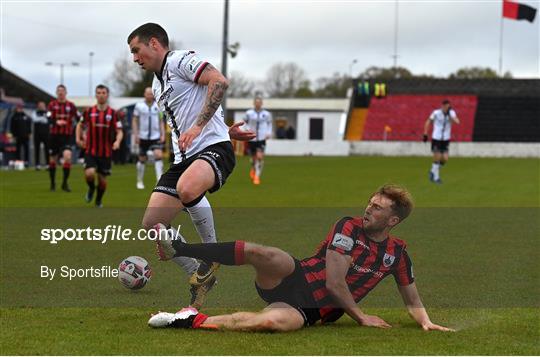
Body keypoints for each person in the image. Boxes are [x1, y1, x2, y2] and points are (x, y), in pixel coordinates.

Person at [149, 184, 454, 333]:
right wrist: (362, 318)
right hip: (294, 276)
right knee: (265, 254)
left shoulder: (397, 254)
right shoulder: (348, 227)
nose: (368, 209)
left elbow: (411, 296)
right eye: (370, 203)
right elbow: (334, 283)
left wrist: (425, 321)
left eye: (378, 208)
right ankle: (181, 249)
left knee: (272, 322)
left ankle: (188, 320)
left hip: (309, 309)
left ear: (393, 221)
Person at [127, 23, 255, 309]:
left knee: (187, 189)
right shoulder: (156, 84)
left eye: (137, 50)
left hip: (213, 151)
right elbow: (184, 116)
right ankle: (200, 273)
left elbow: (219, 81)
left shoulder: (180, 61)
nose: (135, 58)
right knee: (152, 224)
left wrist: (203, 129)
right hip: (183, 158)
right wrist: (227, 129)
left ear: (155, 44)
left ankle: (211, 254)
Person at [75, 85, 123, 208]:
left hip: (106, 152)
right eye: (99, 92)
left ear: (107, 95)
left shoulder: (113, 113)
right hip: (90, 150)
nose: (101, 95)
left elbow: (119, 131)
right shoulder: (89, 111)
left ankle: (98, 200)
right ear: (96, 95)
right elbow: (80, 125)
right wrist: (78, 138)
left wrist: (117, 141)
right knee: (89, 173)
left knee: (102, 180)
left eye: (103, 92)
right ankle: (91, 189)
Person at [47, 84, 80, 192]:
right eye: (59, 91)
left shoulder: (71, 106)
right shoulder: (51, 105)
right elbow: (48, 118)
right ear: (56, 93)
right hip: (54, 136)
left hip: (67, 136)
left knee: (67, 157)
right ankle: (52, 183)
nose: (61, 93)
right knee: (52, 160)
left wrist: (82, 129)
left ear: (66, 93)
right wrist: (56, 121)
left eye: (62, 91)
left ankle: (65, 183)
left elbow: (79, 118)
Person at [132, 87, 165, 189]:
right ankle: (139, 181)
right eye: (148, 94)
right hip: (143, 136)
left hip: (155, 136)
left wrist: (163, 134)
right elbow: (135, 120)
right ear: (144, 94)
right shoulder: (139, 106)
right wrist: (136, 134)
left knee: (158, 155)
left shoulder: (158, 105)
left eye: (151, 94)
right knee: (142, 158)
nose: (150, 95)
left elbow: (161, 121)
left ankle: (159, 181)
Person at [423, 99, 460, 184]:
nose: (447, 108)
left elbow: (457, 122)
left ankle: (432, 170)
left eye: (448, 107)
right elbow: (428, 121)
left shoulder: (452, 113)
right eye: (446, 106)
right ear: (442, 106)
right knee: (438, 156)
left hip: (446, 139)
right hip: (436, 138)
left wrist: (450, 115)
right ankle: (436, 178)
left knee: (445, 159)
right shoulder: (436, 113)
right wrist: (425, 133)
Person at [243, 97, 272, 185]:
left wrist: (268, 133)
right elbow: (244, 122)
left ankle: (257, 176)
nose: (258, 104)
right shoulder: (249, 113)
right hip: (252, 138)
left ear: (261, 103)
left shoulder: (266, 114)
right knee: (253, 158)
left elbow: (269, 124)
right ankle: (253, 168)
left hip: (262, 138)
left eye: (259, 102)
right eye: (256, 102)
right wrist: (247, 130)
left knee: (259, 157)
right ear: (254, 103)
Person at [32, 101, 50, 169]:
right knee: (37, 149)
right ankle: (37, 164)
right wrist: (42, 119)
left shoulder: (48, 112)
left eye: (42, 105)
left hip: (46, 134)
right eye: (40, 105)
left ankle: (48, 164)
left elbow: (49, 120)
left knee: (47, 149)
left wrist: (43, 119)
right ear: (38, 106)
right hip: (37, 134)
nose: (41, 106)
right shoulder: (35, 112)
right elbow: (34, 119)